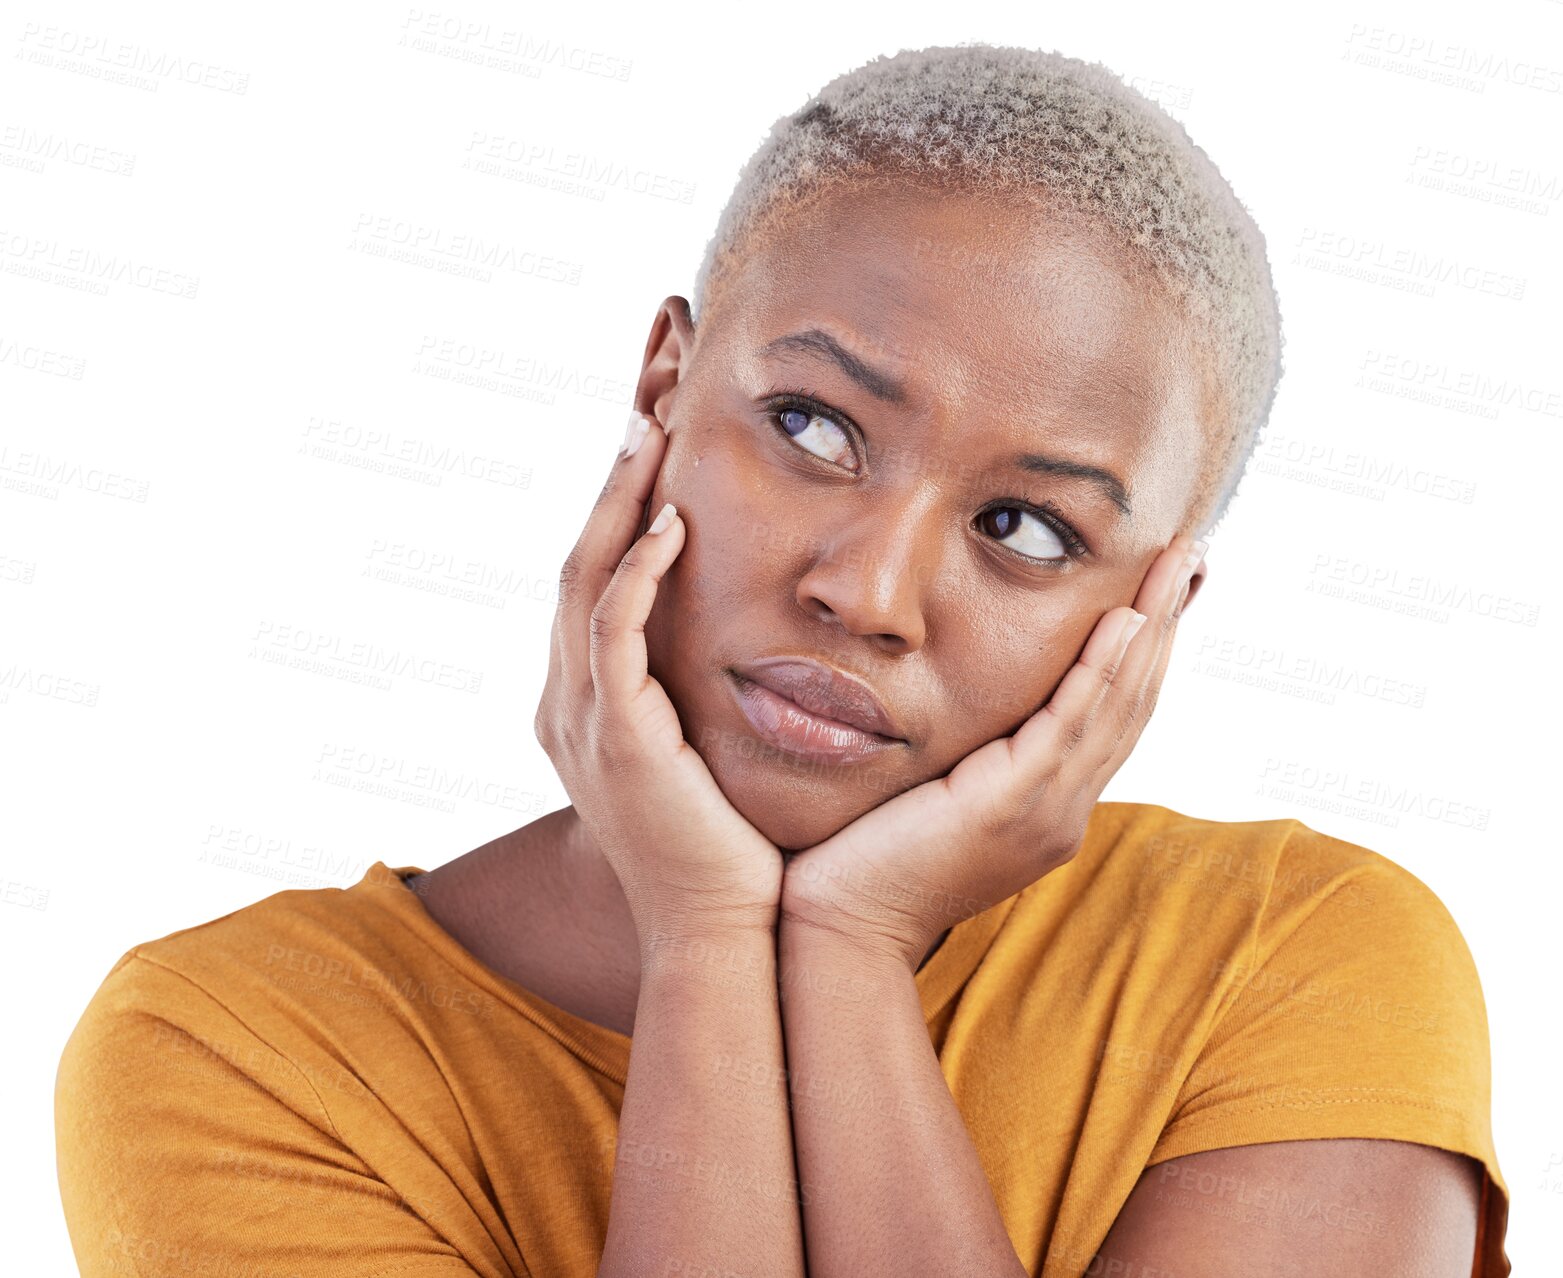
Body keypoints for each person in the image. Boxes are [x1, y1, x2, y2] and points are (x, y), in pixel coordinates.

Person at [55, 44, 1510, 1277]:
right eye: (813, 428)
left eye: (1024, 525)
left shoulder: (1295, 957)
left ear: (1153, 607)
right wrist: (704, 934)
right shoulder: (239, 1049)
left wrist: (845, 946)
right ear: (665, 387)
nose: (868, 592)